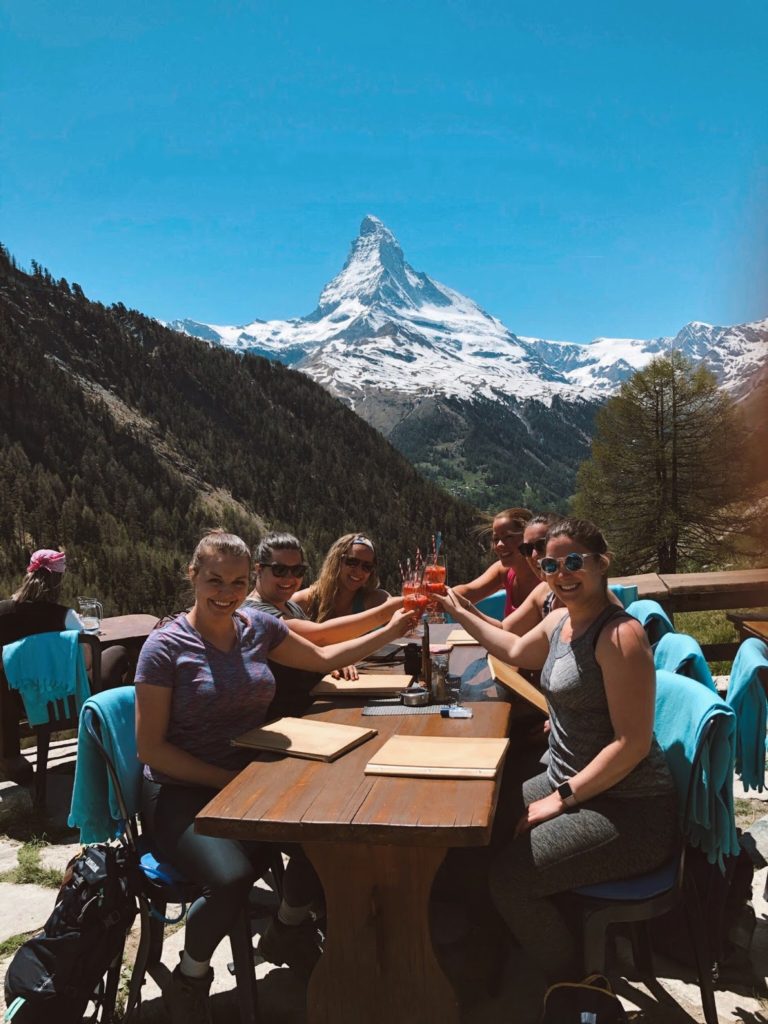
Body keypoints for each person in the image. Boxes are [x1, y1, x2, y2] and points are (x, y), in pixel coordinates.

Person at [136, 530, 413, 1023]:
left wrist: (393, 629)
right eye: (215, 579)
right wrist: (225, 780)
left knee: (331, 837)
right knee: (231, 879)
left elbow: (325, 655)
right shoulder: (164, 647)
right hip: (178, 788)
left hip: (249, 777)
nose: (227, 592)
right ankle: (191, 977)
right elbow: (151, 749)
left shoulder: (254, 627)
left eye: (238, 582)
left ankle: (287, 928)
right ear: (192, 575)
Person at [436, 518, 677, 991]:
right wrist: (456, 609)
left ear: (601, 563)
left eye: (573, 562)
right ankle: (497, 945)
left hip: (629, 810)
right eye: (550, 564)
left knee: (510, 878)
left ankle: (576, 983)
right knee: (477, 825)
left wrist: (561, 797)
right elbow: (514, 648)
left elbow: (632, 745)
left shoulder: (619, 637)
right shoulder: (563, 618)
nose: (562, 573)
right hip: (574, 782)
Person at [243, 531, 403, 717]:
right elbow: (320, 637)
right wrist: (391, 620)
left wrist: (335, 662)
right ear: (259, 569)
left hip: (312, 706)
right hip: (287, 719)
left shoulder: (290, 606)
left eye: (297, 571)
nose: (289, 578)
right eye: (279, 570)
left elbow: (314, 650)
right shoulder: (257, 614)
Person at [0, 549, 127, 781]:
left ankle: (10, 756)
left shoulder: (3, 613)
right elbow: (87, 663)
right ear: (57, 583)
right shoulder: (65, 616)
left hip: (20, 701)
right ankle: (114, 738)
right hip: (66, 698)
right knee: (118, 653)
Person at [452, 508, 540, 616]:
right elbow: (470, 591)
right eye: (495, 539)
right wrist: (435, 596)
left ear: (527, 537)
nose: (499, 545)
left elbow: (508, 629)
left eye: (508, 537)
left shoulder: (546, 578)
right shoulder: (504, 571)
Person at [292, 533, 390, 621]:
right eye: (352, 562)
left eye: (367, 566)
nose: (359, 571)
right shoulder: (303, 602)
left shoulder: (377, 601)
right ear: (336, 562)